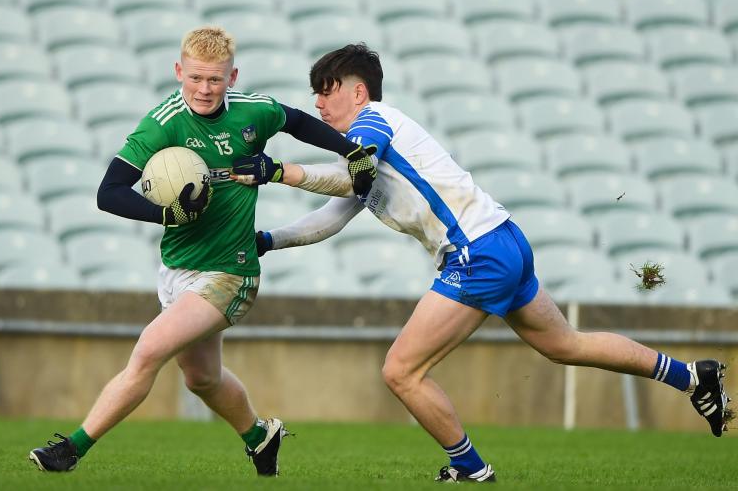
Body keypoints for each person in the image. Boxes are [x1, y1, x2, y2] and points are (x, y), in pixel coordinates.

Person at [230, 44, 732, 483]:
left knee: (402, 371)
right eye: (315, 93)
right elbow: (334, 213)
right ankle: (692, 376)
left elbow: (347, 180)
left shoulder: (373, 122)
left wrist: (279, 171)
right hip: (503, 240)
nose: (318, 102)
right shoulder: (364, 145)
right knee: (565, 345)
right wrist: (272, 240)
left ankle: (470, 468)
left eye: (327, 89)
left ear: (359, 93)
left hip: (477, 254)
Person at [27, 27, 377, 476]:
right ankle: (260, 436)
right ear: (179, 71)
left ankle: (71, 450)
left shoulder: (255, 111)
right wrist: (169, 215)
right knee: (202, 379)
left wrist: (352, 150)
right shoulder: (165, 122)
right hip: (178, 269)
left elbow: (297, 121)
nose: (204, 89)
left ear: (232, 76)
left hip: (230, 273)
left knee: (148, 350)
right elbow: (109, 192)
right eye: (195, 78)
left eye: (215, 79)